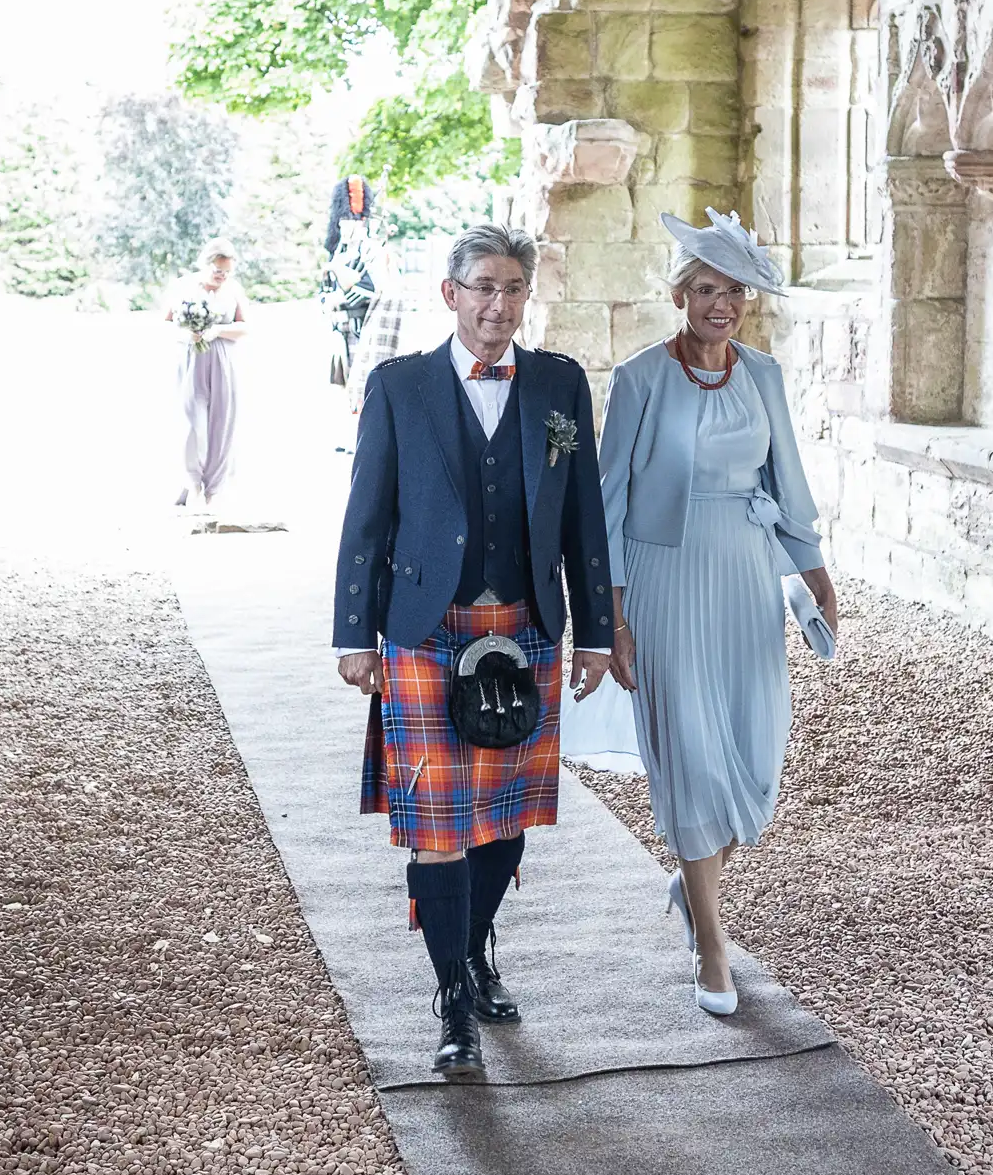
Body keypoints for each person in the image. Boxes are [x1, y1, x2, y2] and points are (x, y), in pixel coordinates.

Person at [332, 222, 616, 1078]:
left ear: (528, 297)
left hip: (527, 623)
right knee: (437, 824)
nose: (499, 305)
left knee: (503, 819)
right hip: (424, 625)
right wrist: (354, 630)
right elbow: (366, 514)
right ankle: (452, 995)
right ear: (451, 294)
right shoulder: (398, 386)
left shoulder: (561, 385)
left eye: (514, 289)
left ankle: (475, 943)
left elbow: (584, 517)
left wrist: (597, 628)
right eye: (483, 287)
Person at [597, 209, 839, 1017]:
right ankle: (712, 943)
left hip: (744, 574)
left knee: (757, 752)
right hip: (664, 576)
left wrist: (815, 571)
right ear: (679, 294)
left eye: (733, 290)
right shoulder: (638, 380)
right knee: (694, 755)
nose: (720, 303)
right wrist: (613, 618)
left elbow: (791, 480)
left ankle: (693, 880)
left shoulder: (763, 374)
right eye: (706, 288)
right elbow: (608, 503)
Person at [162, 239, 250, 509]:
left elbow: (244, 326)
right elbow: (166, 322)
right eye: (217, 270)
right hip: (191, 359)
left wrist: (217, 331)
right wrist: (187, 334)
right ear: (206, 264)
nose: (222, 276)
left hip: (222, 359)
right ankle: (191, 482)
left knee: (221, 422)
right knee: (191, 422)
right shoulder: (184, 287)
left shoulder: (233, 290)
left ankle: (214, 486)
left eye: (226, 271)